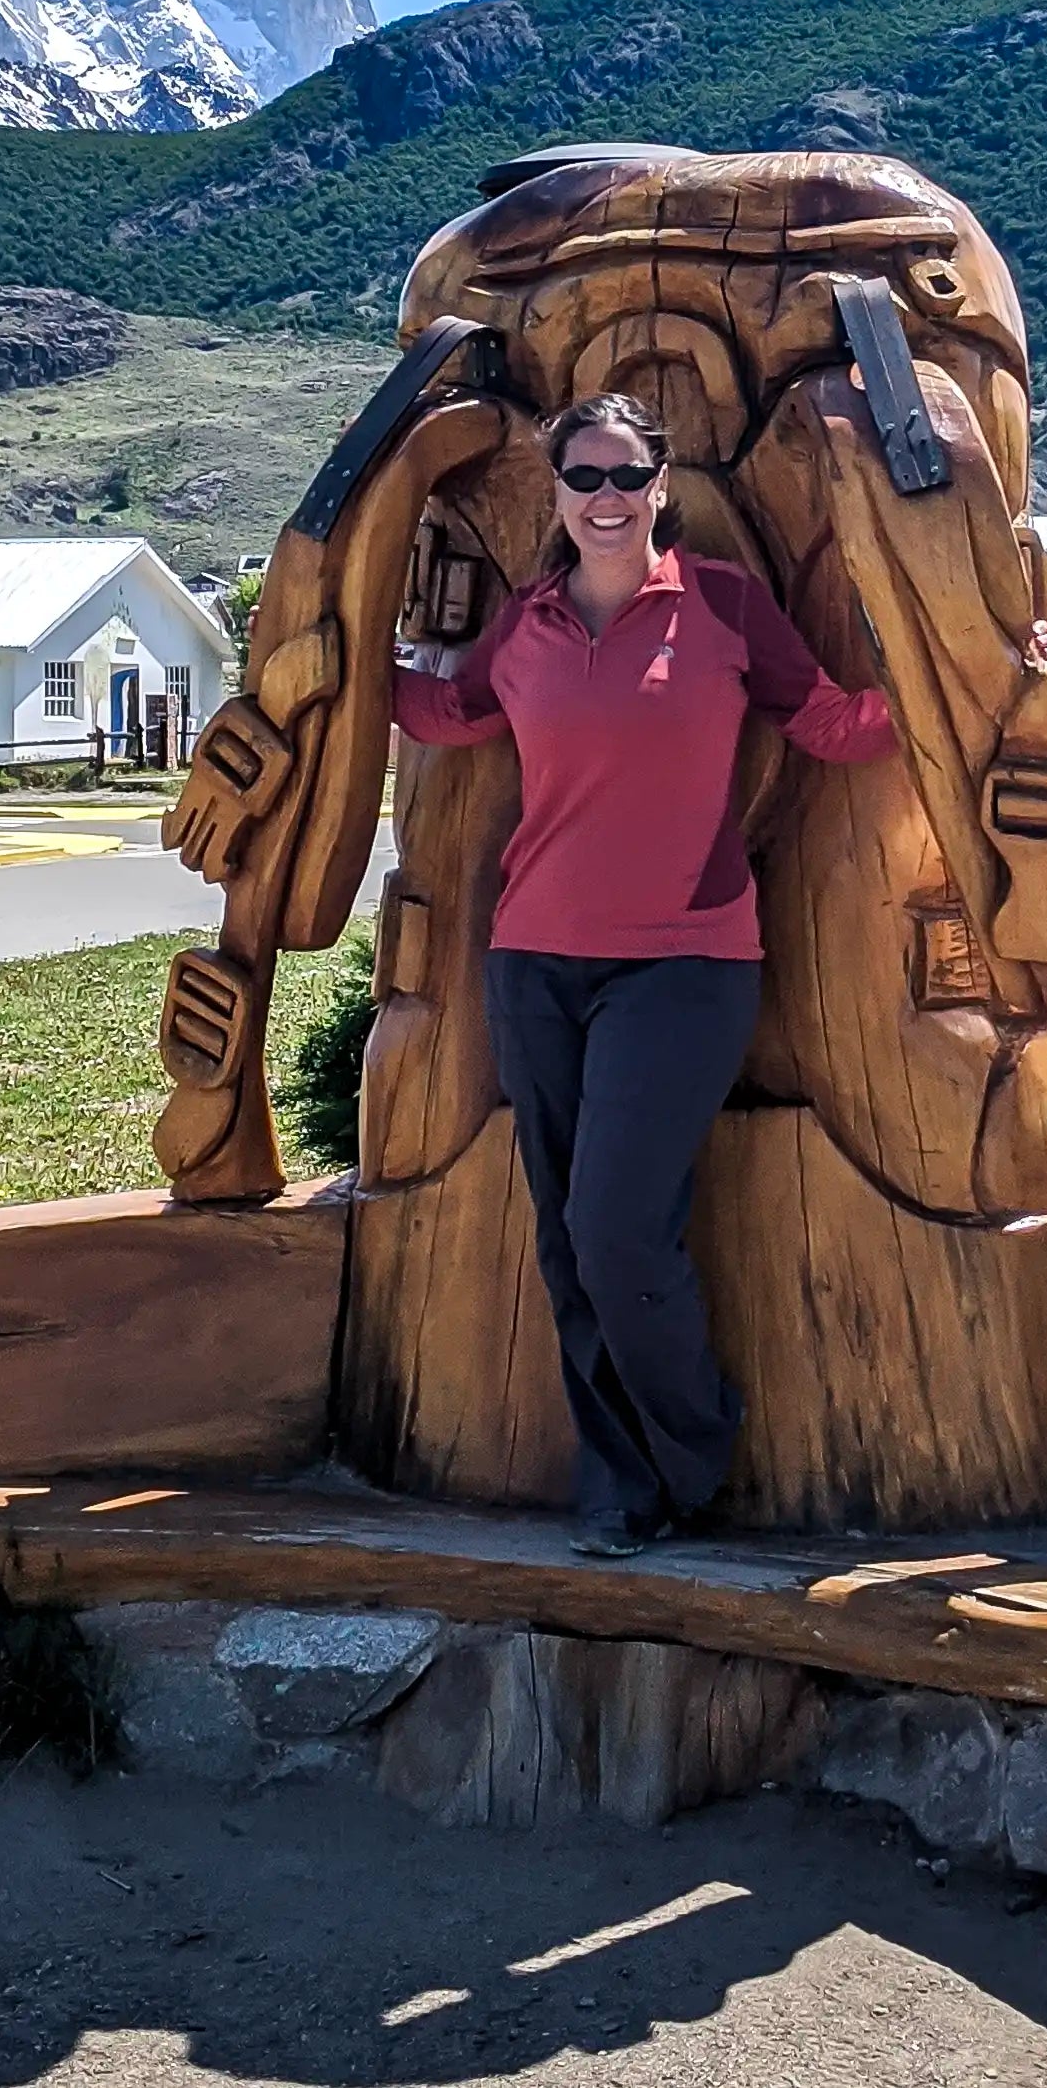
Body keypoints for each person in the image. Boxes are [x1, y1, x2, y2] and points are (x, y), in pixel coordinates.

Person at [392, 394, 898, 1557]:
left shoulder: (722, 605)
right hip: (533, 962)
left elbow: (825, 720)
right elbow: (445, 709)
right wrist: (329, 663)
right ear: (558, 491)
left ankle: (691, 1456)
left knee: (618, 1227)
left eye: (628, 477)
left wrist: (957, 694)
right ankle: (620, 1488)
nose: (606, 499)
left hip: (684, 962)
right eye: (584, 478)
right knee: (569, 1244)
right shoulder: (523, 626)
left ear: (662, 487)